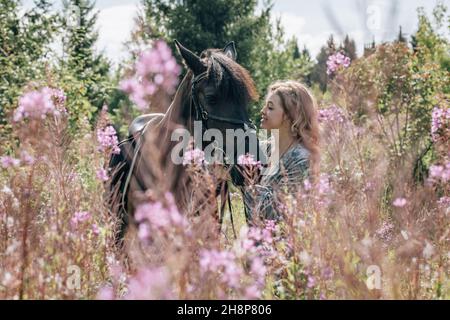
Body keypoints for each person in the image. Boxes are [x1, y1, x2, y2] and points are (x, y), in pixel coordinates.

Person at [242, 80, 320, 222]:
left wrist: (249, 189)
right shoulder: (265, 148)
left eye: (270, 108)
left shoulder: (302, 160)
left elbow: (283, 216)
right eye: (265, 106)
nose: (263, 111)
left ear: (290, 116)